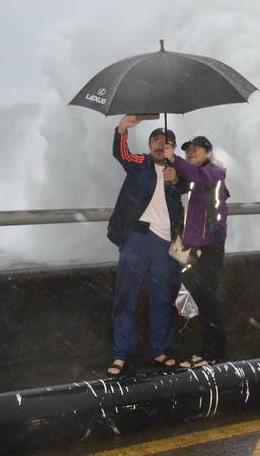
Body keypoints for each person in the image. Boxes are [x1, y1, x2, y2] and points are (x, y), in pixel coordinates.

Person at [106, 115, 187, 376]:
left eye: (165, 142)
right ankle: (121, 353)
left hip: (166, 244)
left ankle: (159, 350)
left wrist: (175, 178)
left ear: (173, 148)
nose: (159, 145)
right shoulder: (140, 164)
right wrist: (122, 129)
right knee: (125, 296)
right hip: (137, 239)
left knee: (163, 299)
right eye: (155, 140)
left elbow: (194, 186)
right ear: (150, 145)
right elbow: (121, 154)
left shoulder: (178, 174)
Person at [164, 136, 228, 367]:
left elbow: (199, 177)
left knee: (208, 298)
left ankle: (213, 352)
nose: (191, 152)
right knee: (189, 293)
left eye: (196, 149)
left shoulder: (214, 171)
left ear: (208, 152)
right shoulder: (194, 175)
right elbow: (183, 183)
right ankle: (198, 347)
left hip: (210, 246)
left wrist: (175, 159)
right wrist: (171, 178)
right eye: (188, 150)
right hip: (191, 247)